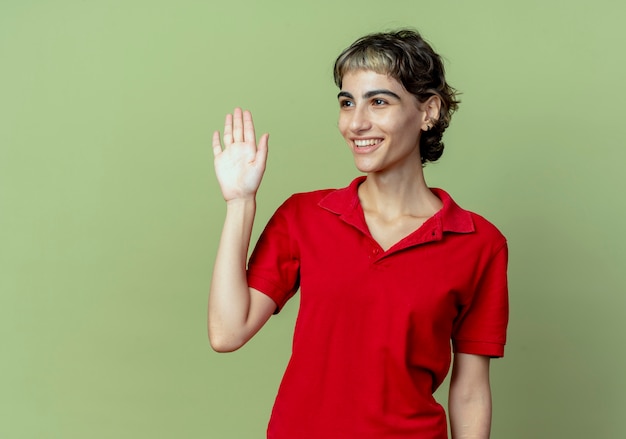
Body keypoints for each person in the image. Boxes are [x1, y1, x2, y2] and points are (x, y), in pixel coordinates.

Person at [208, 29, 508, 439]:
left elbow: (471, 390)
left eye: (378, 101)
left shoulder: (478, 242)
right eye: (347, 103)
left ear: (428, 112)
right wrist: (240, 203)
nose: (356, 123)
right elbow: (227, 332)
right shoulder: (304, 216)